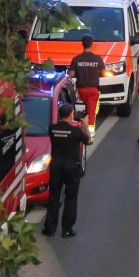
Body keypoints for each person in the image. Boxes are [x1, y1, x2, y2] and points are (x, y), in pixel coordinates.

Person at [42, 102, 90, 238]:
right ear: (71, 115)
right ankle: (67, 229)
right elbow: (88, 140)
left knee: (54, 196)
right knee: (71, 197)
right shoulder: (75, 132)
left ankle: (50, 228)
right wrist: (85, 124)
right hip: (71, 167)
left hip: (56, 165)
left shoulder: (52, 129)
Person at [68, 34, 103, 138]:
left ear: (82, 44)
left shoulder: (76, 59)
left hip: (80, 90)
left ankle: (81, 133)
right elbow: (104, 72)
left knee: (80, 112)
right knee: (91, 112)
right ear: (92, 44)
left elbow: (71, 75)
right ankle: (90, 136)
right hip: (93, 89)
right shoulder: (97, 58)